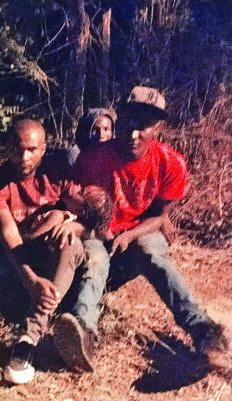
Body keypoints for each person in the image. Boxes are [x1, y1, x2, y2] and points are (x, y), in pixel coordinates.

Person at [75, 86, 230, 370]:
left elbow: (160, 216)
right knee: (94, 260)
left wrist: (130, 234)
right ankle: (82, 330)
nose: (134, 134)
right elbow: (85, 207)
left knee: (153, 254)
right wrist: (103, 230)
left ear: (156, 127)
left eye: (144, 125)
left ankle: (204, 331)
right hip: (101, 232)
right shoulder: (93, 158)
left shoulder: (171, 163)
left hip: (140, 233)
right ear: (120, 118)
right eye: (130, 122)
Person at [0, 119, 106, 385]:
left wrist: (72, 221)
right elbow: (9, 236)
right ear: (7, 147)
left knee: (69, 242)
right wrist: (30, 280)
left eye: (32, 150)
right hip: (20, 255)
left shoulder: (58, 173)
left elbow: (94, 214)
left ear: (44, 148)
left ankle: (28, 339)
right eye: (17, 149)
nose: (23, 157)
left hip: (56, 254)